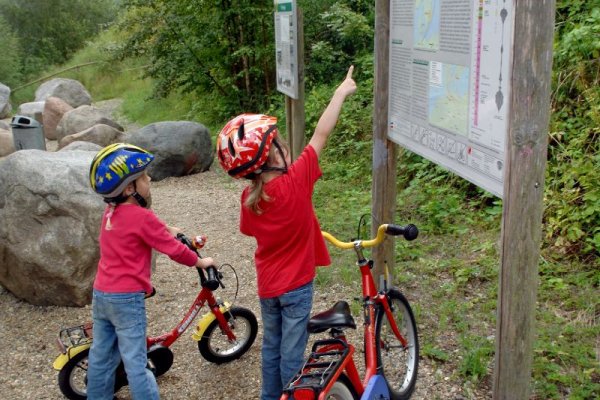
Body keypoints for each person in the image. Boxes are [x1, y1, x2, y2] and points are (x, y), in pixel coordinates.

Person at [216, 66, 357, 400]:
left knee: (272, 348)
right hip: (296, 286)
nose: (285, 145)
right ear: (271, 157)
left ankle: (271, 396)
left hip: (268, 287)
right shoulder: (296, 182)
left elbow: (249, 230)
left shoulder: (250, 200)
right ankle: (293, 396)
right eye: (278, 143)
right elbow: (322, 134)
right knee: (292, 353)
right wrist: (340, 92)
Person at [86, 143, 214, 400]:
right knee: (136, 362)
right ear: (130, 188)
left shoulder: (110, 212)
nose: (150, 178)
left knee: (101, 356)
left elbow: (146, 224)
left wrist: (169, 227)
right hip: (126, 299)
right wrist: (201, 263)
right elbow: (174, 250)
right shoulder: (143, 219)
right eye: (143, 176)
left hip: (102, 295)